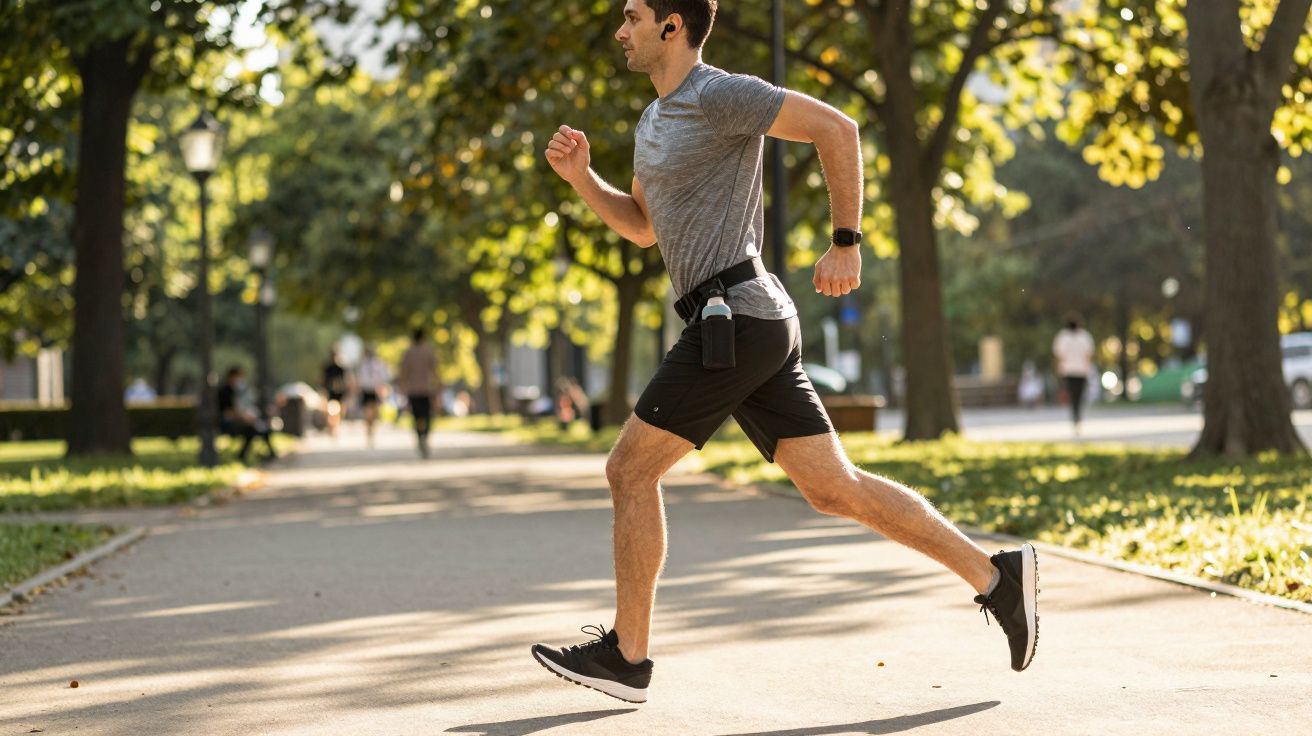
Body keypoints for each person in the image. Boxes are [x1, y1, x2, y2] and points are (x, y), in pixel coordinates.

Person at [530, 0, 1039, 705]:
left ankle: (628, 655)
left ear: (672, 27)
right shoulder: (652, 122)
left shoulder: (719, 94)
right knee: (835, 489)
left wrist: (845, 238)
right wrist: (583, 179)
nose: (621, 31)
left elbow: (838, 126)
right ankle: (997, 578)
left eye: (634, 17)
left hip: (735, 315)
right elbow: (643, 228)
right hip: (736, 323)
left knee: (628, 470)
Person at [217, 366, 277, 463]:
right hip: (228, 422)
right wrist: (243, 417)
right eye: (239, 376)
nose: (240, 379)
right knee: (252, 429)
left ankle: (270, 453)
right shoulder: (224, 392)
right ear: (232, 377)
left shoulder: (240, 391)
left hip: (242, 420)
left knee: (263, 428)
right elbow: (227, 412)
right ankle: (242, 455)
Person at [397, 328, 441, 458]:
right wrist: (439, 386)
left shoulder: (408, 353)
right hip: (426, 389)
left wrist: (402, 389)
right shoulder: (429, 352)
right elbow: (435, 371)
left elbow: (403, 373)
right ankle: (425, 435)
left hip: (413, 390)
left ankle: (420, 436)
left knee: (416, 417)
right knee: (427, 416)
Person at [1053, 314, 1096, 434]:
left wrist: (1059, 369)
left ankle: (1075, 416)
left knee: (1073, 395)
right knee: (1078, 395)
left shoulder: (1063, 337)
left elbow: (1059, 355)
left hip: (1069, 371)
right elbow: (1089, 355)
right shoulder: (1085, 337)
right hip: (1081, 371)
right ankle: (1077, 416)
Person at [356, 346, 391, 448]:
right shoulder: (363, 364)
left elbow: (384, 377)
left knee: (375, 413)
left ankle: (371, 430)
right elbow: (360, 379)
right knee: (368, 413)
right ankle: (369, 431)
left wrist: (382, 388)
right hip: (366, 391)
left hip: (375, 391)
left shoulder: (378, 364)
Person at [322, 347, 348, 438]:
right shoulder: (327, 368)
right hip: (330, 393)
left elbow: (345, 381)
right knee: (331, 412)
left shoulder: (341, 368)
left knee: (337, 412)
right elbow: (323, 381)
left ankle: (334, 427)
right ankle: (332, 428)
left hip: (339, 393)